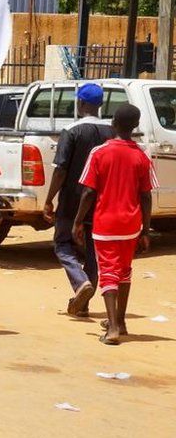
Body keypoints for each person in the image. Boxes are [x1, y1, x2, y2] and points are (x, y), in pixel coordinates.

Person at [74, 104, 157, 345]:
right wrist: (146, 229)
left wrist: (78, 221)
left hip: (106, 223)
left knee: (108, 272)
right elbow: (146, 195)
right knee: (124, 271)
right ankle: (120, 321)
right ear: (135, 126)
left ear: (113, 123)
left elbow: (89, 192)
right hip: (131, 223)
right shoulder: (141, 155)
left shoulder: (99, 153)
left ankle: (112, 329)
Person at [44, 83, 114, 317]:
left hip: (72, 200)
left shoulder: (72, 131)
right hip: (101, 200)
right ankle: (83, 304)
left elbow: (61, 170)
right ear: (101, 104)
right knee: (94, 250)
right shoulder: (112, 132)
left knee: (62, 243)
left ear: (80, 103)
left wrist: (49, 199)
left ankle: (79, 280)